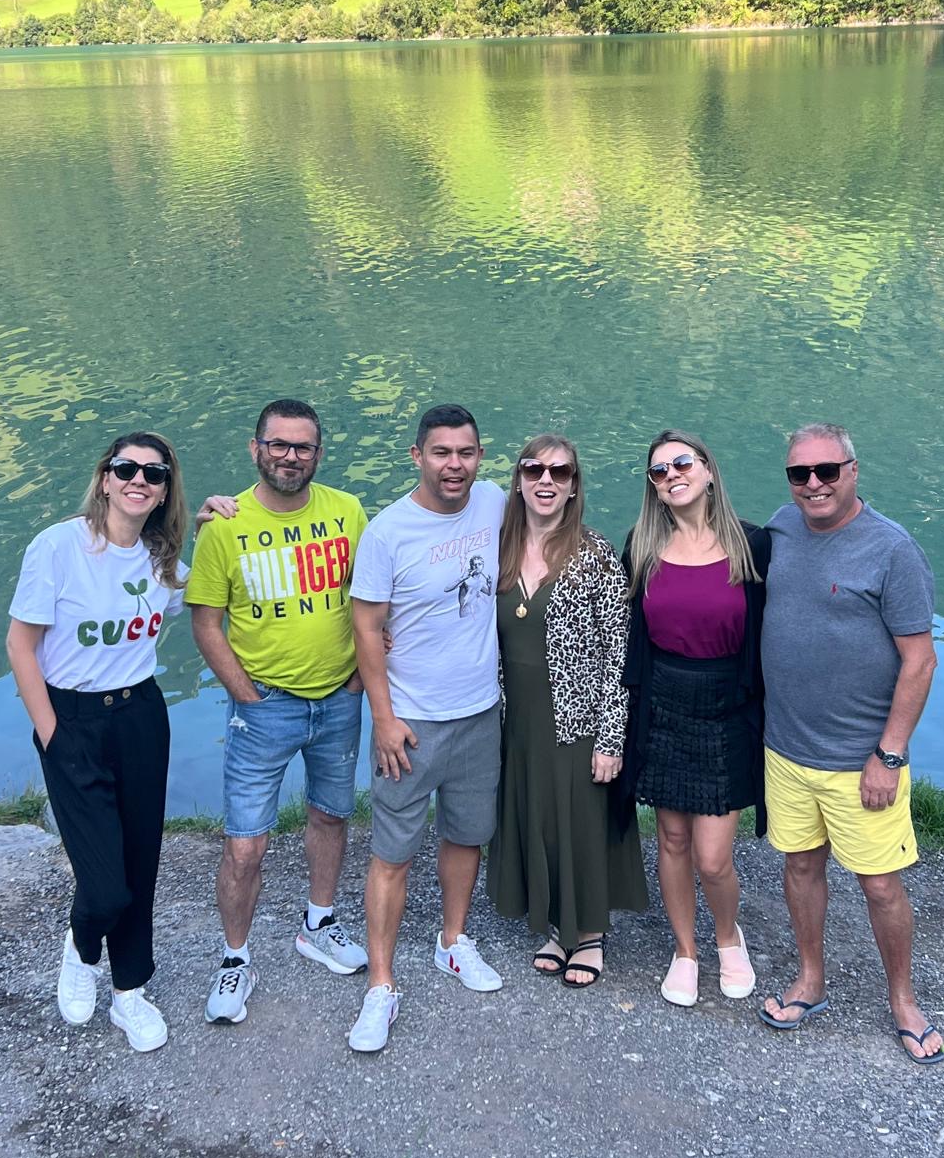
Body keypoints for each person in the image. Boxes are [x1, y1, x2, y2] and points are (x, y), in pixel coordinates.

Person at [757, 423, 943, 1065]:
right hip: (785, 750)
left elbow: (920, 662)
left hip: (862, 761)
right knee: (801, 866)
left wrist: (888, 755)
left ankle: (904, 1001)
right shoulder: (781, 528)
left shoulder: (892, 550)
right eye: (800, 473)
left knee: (881, 886)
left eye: (827, 471)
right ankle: (811, 980)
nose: (813, 485)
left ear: (854, 471)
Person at [186, 399, 369, 1027]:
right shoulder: (223, 526)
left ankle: (318, 923)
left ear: (319, 453)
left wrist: (354, 680)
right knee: (245, 844)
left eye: (304, 446)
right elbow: (206, 623)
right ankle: (235, 958)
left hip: (339, 700)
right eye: (279, 444)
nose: (291, 456)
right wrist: (245, 693)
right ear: (255, 447)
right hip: (265, 706)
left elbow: (370, 600)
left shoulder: (347, 512)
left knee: (331, 814)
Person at [6, 432, 189, 1052]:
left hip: (141, 716)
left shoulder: (163, 561)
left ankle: (130, 993)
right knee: (105, 882)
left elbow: (212, 592)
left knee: (141, 861)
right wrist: (53, 737)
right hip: (71, 719)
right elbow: (20, 645)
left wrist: (221, 514)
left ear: (165, 491)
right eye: (126, 468)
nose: (139, 480)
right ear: (105, 478)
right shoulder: (60, 546)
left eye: (154, 474)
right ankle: (82, 949)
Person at [347, 404, 506, 1051]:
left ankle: (452, 940)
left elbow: (558, 495)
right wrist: (382, 718)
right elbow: (364, 626)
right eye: (441, 452)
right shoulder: (389, 532)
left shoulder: (495, 502)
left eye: (465, 452)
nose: (454, 465)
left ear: (480, 456)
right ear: (417, 456)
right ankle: (380, 986)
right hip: (411, 722)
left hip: (480, 712)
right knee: (392, 854)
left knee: (466, 836)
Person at [486, 434, 647, 988]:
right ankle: (557, 925)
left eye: (559, 472)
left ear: (574, 484)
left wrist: (610, 737)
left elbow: (617, 651)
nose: (546, 480)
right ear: (519, 480)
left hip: (576, 714)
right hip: (517, 718)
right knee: (540, 818)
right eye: (534, 470)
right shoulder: (498, 548)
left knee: (579, 820)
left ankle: (591, 933)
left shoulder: (594, 554)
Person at [622, 430, 769, 1009]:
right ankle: (685, 950)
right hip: (662, 706)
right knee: (673, 838)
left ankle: (728, 936)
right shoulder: (641, 547)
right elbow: (627, 636)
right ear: (654, 489)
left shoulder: (755, 546)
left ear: (708, 469)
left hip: (727, 708)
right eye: (658, 472)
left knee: (714, 855)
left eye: (682, 463)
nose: (671, 476)